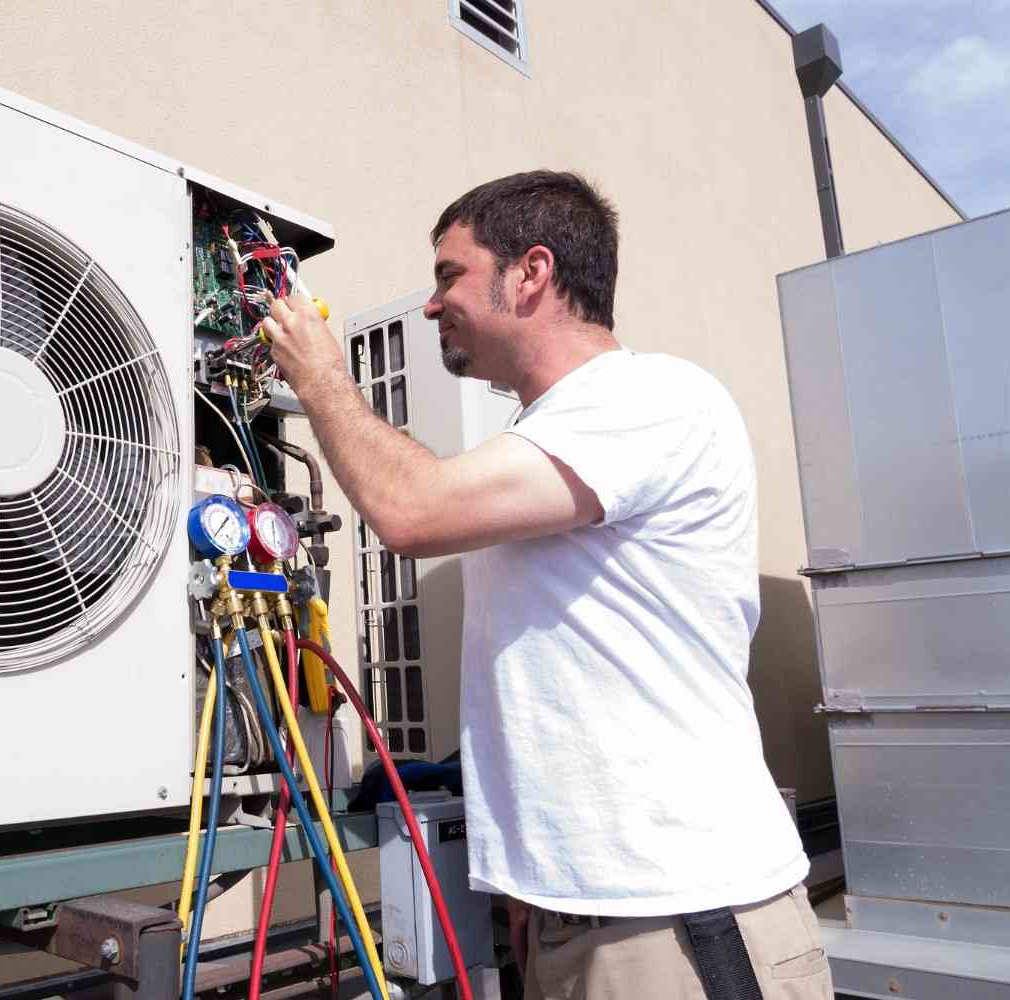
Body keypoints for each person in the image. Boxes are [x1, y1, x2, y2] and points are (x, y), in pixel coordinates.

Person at [262, 171, 831, 999]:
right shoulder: (551, 438)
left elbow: (410, 509)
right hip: (584, 917)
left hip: (679, 924)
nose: (430, 306)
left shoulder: (647, 398)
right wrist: (536, 887)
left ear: (531, 273)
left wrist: (320, 380)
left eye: (449, 275)